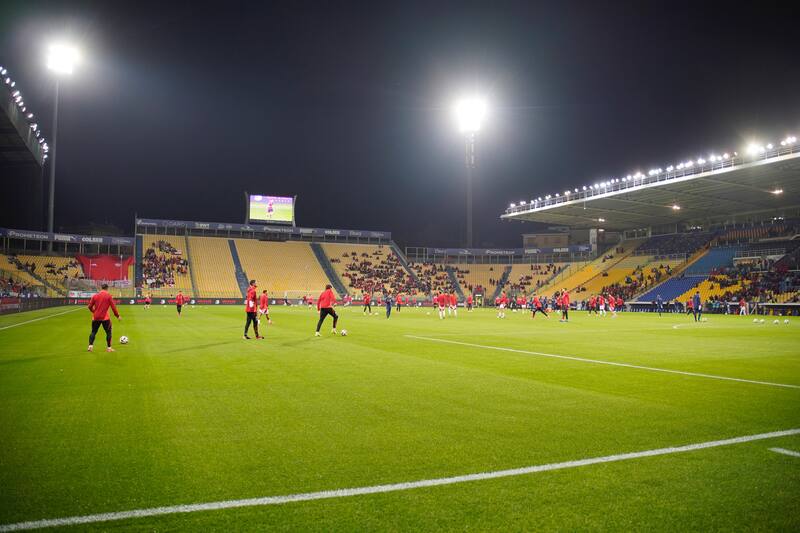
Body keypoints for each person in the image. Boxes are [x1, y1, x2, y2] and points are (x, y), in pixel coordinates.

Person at [87, 283, 121, 353]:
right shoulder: (108, 296)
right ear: (107, 288)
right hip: (105, 318)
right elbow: (113, 307)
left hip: (96, 317)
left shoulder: (95, 296)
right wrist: (117, 316)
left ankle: (90, 346)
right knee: (108, 332)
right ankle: (109, 348)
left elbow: (89, 306)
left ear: (101, 288)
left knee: (93, 331)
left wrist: (94, 311)